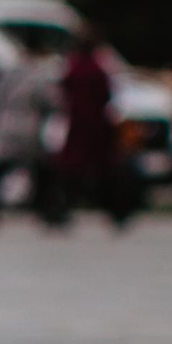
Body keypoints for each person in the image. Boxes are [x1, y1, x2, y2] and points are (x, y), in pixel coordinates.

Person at [51, 26, 137, 229]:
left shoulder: (73, 67)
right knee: (105, 171)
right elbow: (106, 95)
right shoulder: (97, 68)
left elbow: (63, 91)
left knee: (71, 171)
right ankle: (117, 210)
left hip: (78, 124)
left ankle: (60, 209)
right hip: (96, 125)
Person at [0, 46, 58, 228]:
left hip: (4, 125)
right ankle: (45, 209)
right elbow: (50, 102)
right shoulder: (39, 77)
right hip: (28, 126)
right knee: (38, 168)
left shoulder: (5, 76)